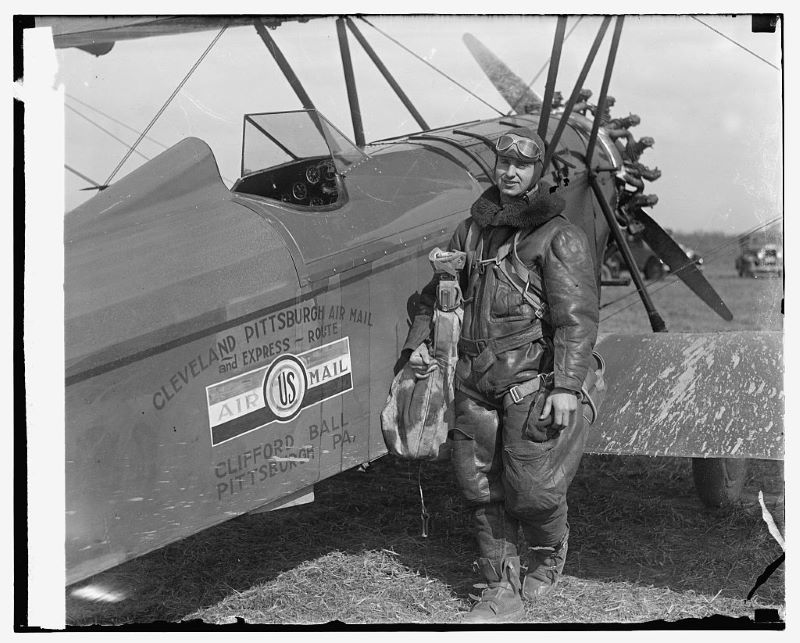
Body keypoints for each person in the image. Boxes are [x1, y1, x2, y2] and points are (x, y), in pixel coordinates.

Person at [401, 127, 599, 623]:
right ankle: (499, 588)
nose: (509, 172)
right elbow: (432, 298)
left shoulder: (558, 237)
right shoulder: (469, 232)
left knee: (532, 492)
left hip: (529, 387)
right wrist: (417, 347)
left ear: (538, 172)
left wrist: (568, 387)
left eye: (522, 165)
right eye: (503, 163)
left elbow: (577, 319)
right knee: (479, 490)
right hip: (473, 383)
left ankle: (550, 553)